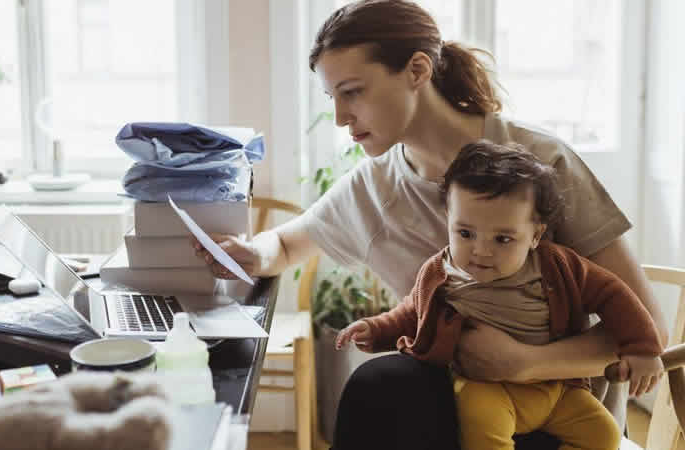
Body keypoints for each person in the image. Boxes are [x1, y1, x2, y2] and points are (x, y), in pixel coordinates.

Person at [192, 1, 668, 448]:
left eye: (353, 93)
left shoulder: (539, 164)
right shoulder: (373, 186)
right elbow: (288, 244)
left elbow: (650, 326)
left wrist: (525, 363)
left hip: (561, 406)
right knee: (382, 384)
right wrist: (254, 253)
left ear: (418, 70)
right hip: (457, 397)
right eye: (333, 97)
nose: (340, 118)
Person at [334, 140, 664, 450]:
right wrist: (376, 330)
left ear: (535, 235)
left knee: (603, 434)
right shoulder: (441, 272)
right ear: (448, 220)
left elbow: (615, 296)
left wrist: (643, 348)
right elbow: (412, 312)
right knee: (483, 431)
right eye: (465, 233)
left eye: (503, 239)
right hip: (485, 389)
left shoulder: (557, 267)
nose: (480, 251)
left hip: (556, 389)